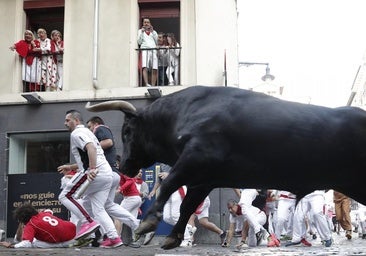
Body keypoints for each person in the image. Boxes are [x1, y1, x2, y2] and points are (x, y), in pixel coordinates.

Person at [57, 109, 123, 248]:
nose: (65, 123)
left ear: (76, 121)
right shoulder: (88, 132)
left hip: (95, 173)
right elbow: (92, 151)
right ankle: (114, 238)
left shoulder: (77, 132)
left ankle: (88, 222)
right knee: (98, 208)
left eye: (68, 120)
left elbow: (90, 148)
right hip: (106, 174)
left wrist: (92, 169)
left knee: (65, 196)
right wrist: (71, 167)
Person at [0, 204, 75, 248]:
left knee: (33, 243)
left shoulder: (30, 224)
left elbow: (27, 243)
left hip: (67, 241)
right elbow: (49, 211)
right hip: (74, 229)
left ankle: (62, 245)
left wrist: (11, 246)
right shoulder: (43, 214)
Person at [137, 18, 158, 87]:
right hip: (145, 50)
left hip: (153, 50)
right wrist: (142, 33)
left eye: (147, 22)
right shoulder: (140, 31)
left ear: (150, 23)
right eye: (145, 22)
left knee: (154, 68)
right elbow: (139, 42)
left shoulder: (154, 32)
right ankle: (146, 83)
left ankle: (153, 85)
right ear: (143, 23)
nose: (146, 23)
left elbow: (157, 42)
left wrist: (152, 32)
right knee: (144, 67)